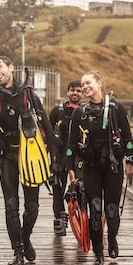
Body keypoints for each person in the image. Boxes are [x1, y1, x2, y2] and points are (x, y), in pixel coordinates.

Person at [0, 56, 57, 265]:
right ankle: (18, 251)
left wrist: (54, 160)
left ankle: (25, 237)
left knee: (32, 207)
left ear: (11, 68)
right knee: (11, 205)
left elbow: (47, 127)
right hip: (7, 158)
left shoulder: (29, 96)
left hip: (30, 156)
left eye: (0, 67)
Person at [65, 71, 133, 265]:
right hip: (91, 167)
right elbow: (71, 143)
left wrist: (129, 160)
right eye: (82, 84)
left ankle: (111, 238)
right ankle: (98, 253)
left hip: (112, 166)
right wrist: (69, 166)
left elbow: (129, 139)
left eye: (88, 83)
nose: (85, 86)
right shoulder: (80, 112)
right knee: (95, 210)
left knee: (111, 210)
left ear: (99, 83)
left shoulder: (116, 108)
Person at [48, 80, 83, 236]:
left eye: (78, 91)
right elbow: (47, 134)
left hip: (79, 155)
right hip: (60, 155)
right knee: (57, 189)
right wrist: (51, 159)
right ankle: (59, 220)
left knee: (80, 188)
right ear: (67, 92)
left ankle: (81, 221)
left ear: (82, 94)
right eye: (72, 90)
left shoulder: (85, 111)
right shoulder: (57, 111)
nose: (75, 93)